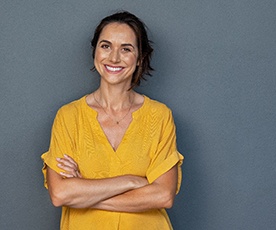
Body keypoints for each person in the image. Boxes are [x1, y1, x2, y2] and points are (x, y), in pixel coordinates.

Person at [41, 11, 184, 230]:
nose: (114, 57)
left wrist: (85, 192)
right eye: (105, 46)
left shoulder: (160, 116)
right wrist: (131, 181)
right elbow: (60, 194)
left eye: (126, 49)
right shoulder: (68, 116)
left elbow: (163, 195)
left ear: (140, 59)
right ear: (95, 52)